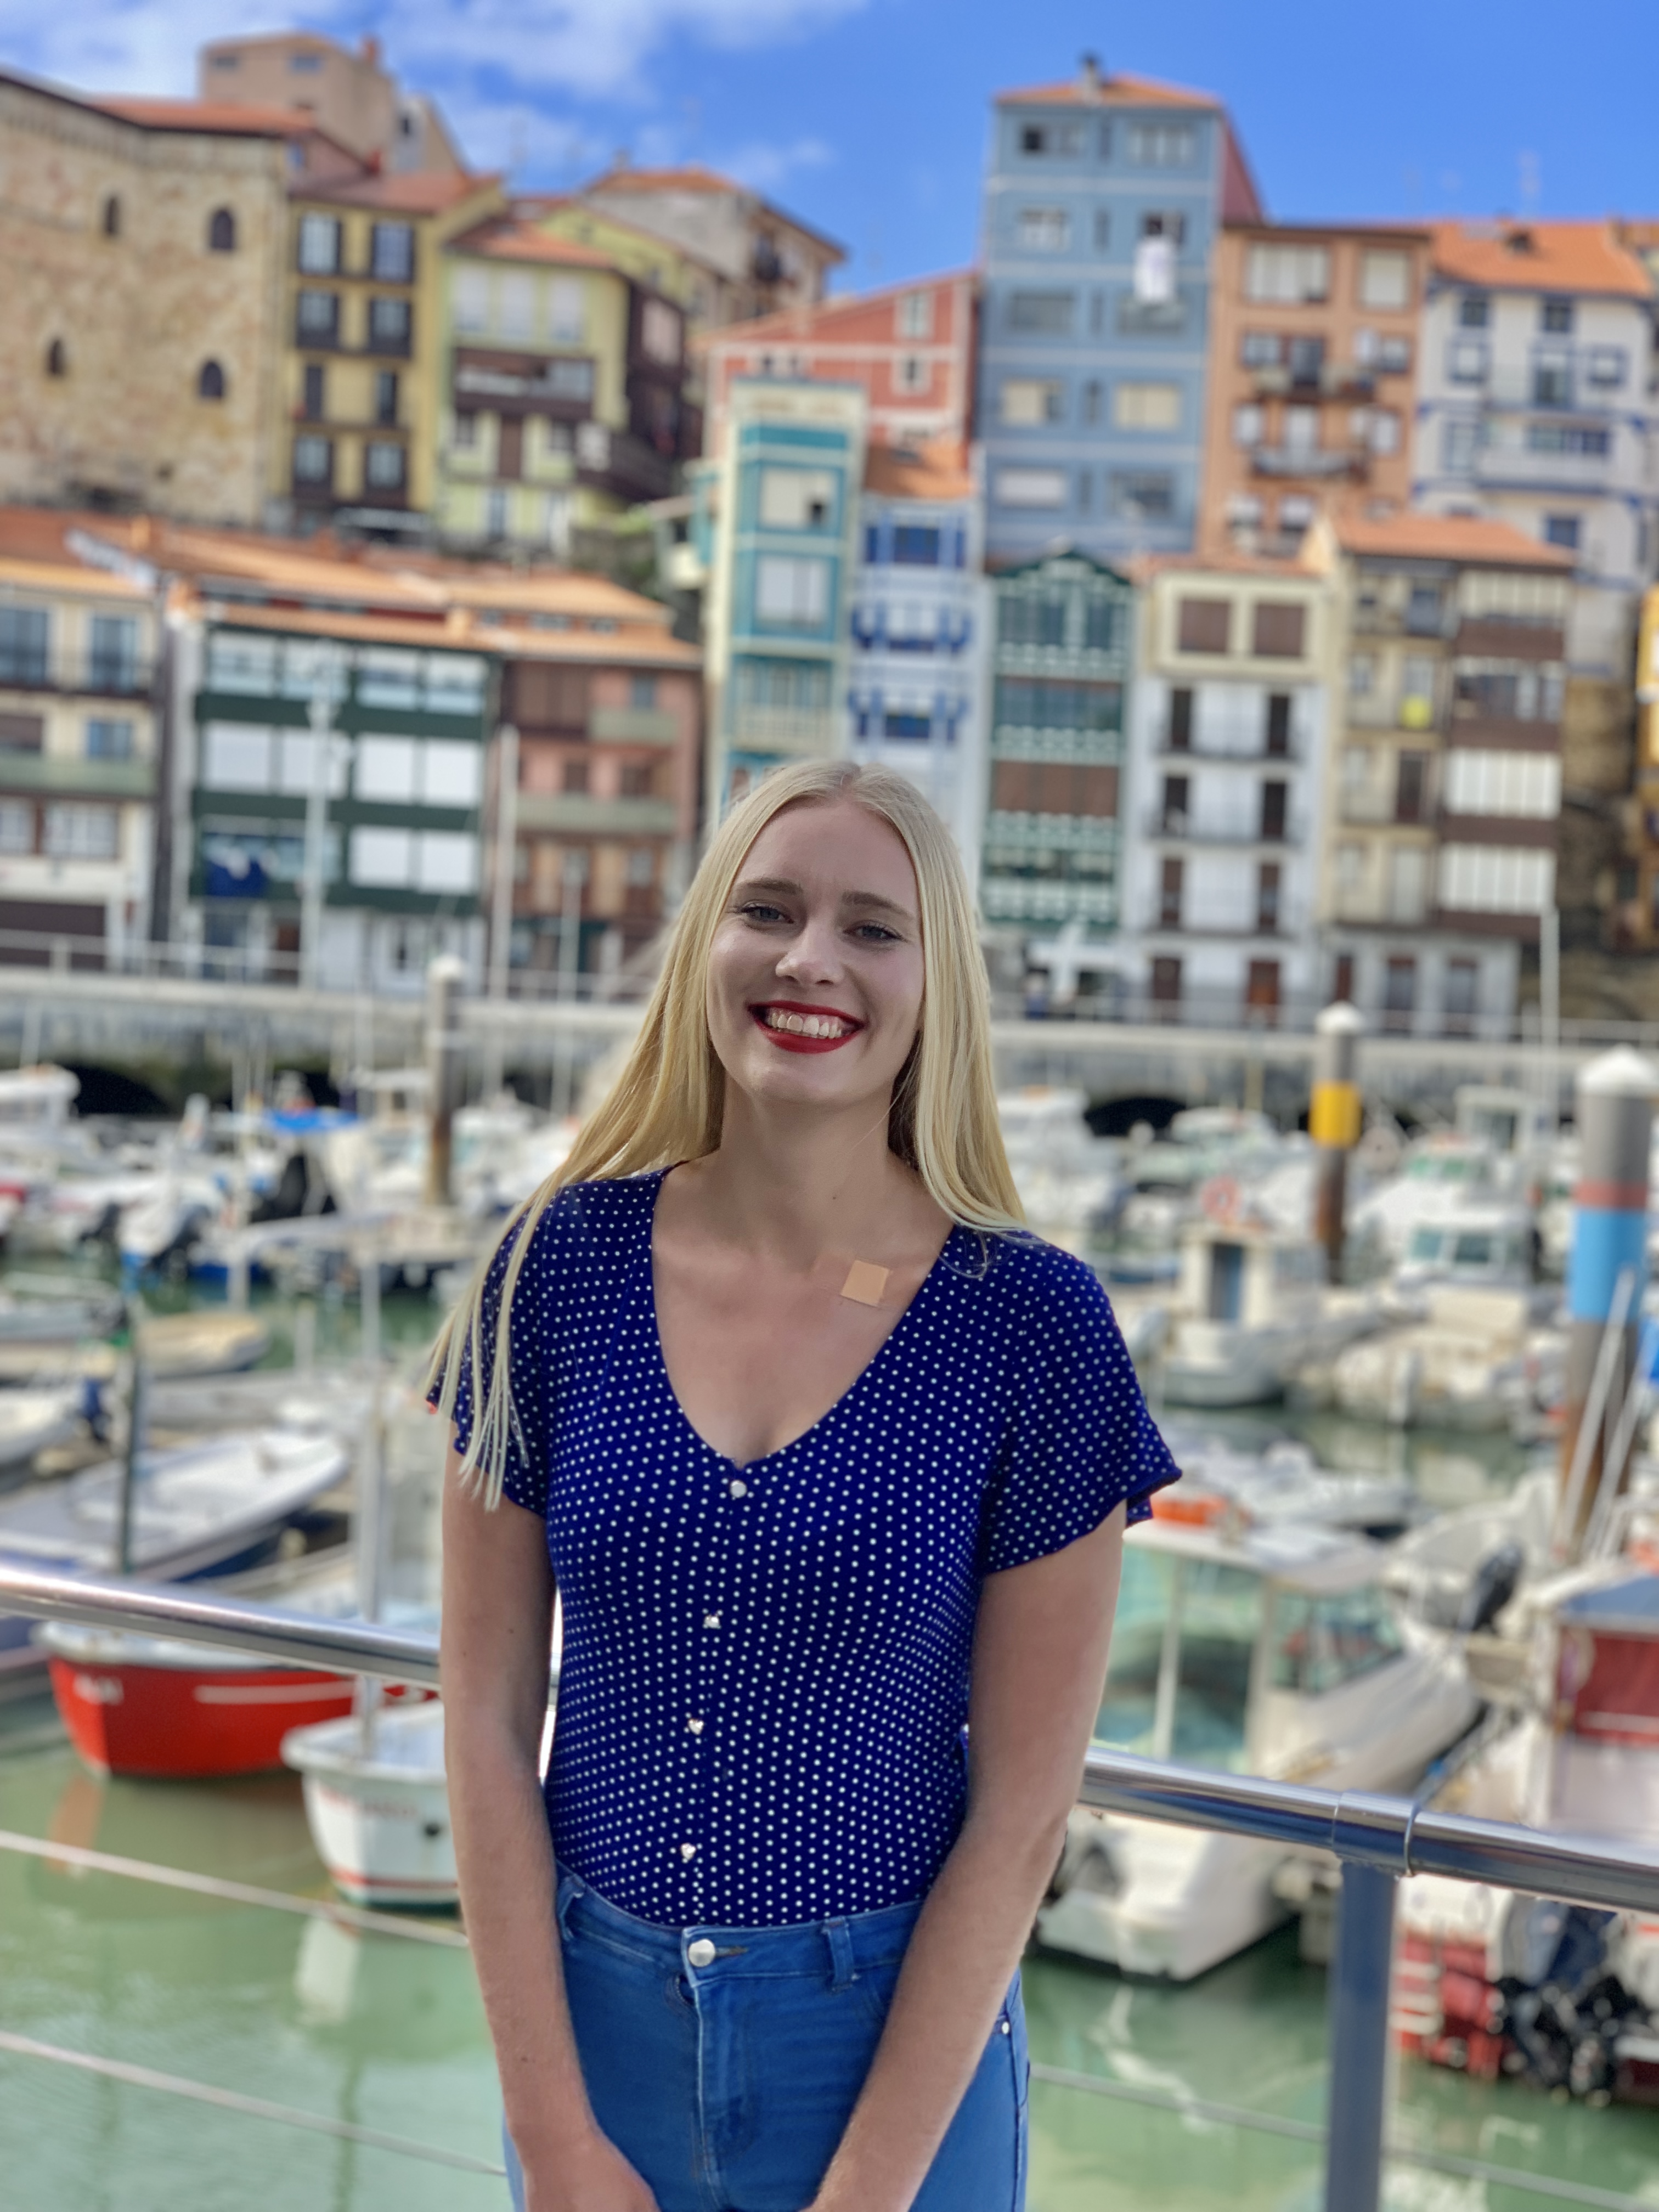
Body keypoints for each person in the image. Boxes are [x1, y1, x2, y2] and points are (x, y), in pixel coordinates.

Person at [430, 759, 1178, 2212]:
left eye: (871, 928)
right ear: (704, 944)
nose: (809, 960)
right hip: (592, 2059)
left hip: (894, 2068)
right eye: (766, 911)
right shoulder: (553, 1269)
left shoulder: (1034, 1326)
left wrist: (870, 2190)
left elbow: (1025, 1809)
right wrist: (556, 2139)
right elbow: (482, 1723)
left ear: (937, 985)